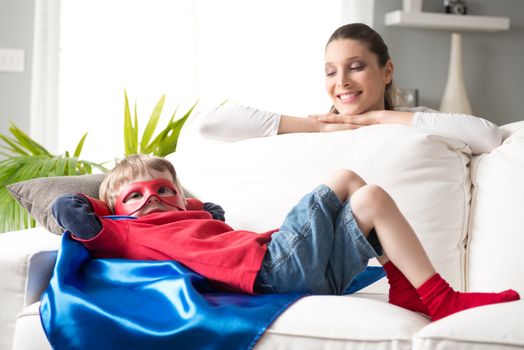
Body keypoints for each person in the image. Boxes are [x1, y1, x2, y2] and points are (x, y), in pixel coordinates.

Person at [52, 154, 519, 322]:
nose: (150, 199)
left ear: (181, 196)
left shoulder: (193, 216)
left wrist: (195, 207)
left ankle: (410, 292)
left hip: (301, 272)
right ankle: (441, 299)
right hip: (272, 271)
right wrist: (100, 207)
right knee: (345, 176)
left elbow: (197, 208)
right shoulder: (124, 230)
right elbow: (82, 219)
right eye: (134, 195)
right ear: (116, 208)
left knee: (371, 197)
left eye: (163, 190)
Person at [195, 23, 501, 155]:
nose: (340, 81)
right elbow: (208, 125)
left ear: (387, 71)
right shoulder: (316, 128)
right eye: (331, 71)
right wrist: (320, 128)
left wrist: (378, 118)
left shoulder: (414, 121)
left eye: (355, 67)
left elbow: (487, 135)